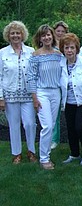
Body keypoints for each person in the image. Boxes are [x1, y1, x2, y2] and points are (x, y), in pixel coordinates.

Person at [27, 24, 65, 170]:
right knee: (47, 125)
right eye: (44, 35)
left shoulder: (58, 54)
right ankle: (44, 159)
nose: (47, 37)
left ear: (52, 36)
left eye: (49, 34)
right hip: (42, 92)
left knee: (52, 124)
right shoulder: (35, 56)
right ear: (40, 38)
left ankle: (46, 153)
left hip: (56, 92)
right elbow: (31, 78)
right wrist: (34, 98)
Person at [0, 21, 37, 164]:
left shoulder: (31, 52)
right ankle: (16, 153)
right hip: (10, 95)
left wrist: (35, 95)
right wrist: (1, 97)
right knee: (14, 125)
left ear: (23, 35)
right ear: (8, 36)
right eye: (12, 33)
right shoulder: (2, 53)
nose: (15, 36)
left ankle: (31, 151)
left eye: (18, 33)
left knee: (29, 123)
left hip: (28, 95)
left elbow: (34, 74)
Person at [60, 33, 82, 165]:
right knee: (71, 129)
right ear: (63, 49)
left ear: (77, 49)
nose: (69, 51)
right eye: (66, 48)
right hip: (68, 103)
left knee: (80, 127)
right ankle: (74, 154)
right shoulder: (61, 64)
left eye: (72, 48)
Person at [51, 20, 69, 150]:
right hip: (53, 82)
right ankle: (54, 139)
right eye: (58, 31)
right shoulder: (50, 47)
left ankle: (71, 138)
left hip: (66, 81)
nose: (60, 33)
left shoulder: (68, 46)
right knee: (54, 113)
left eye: (63, 31)